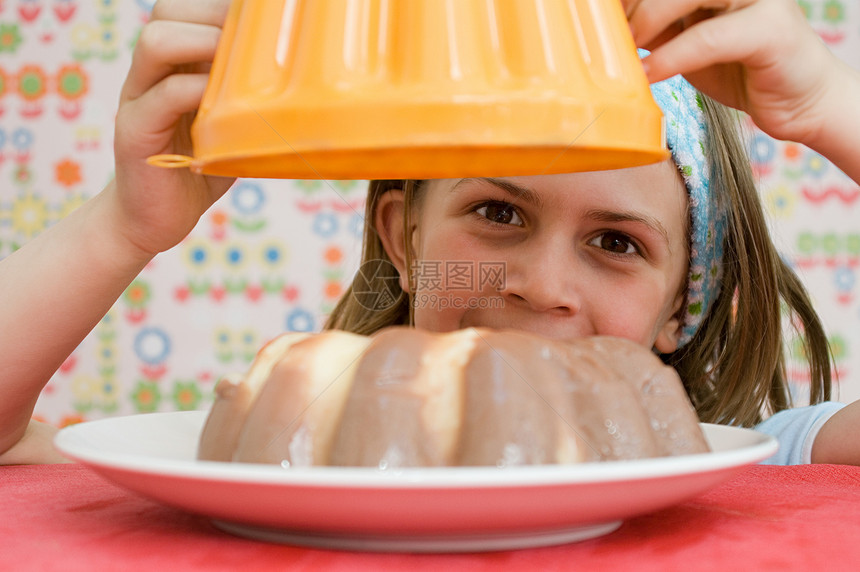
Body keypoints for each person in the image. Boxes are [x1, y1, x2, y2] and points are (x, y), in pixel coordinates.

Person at [1, 0, 859, 465]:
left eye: (616, 243)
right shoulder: (294, 441)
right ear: (402, 242)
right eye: (498, 213)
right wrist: (122, 226)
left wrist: (832, 110)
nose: (539, 284)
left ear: (685, 306)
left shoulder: (753, 464)